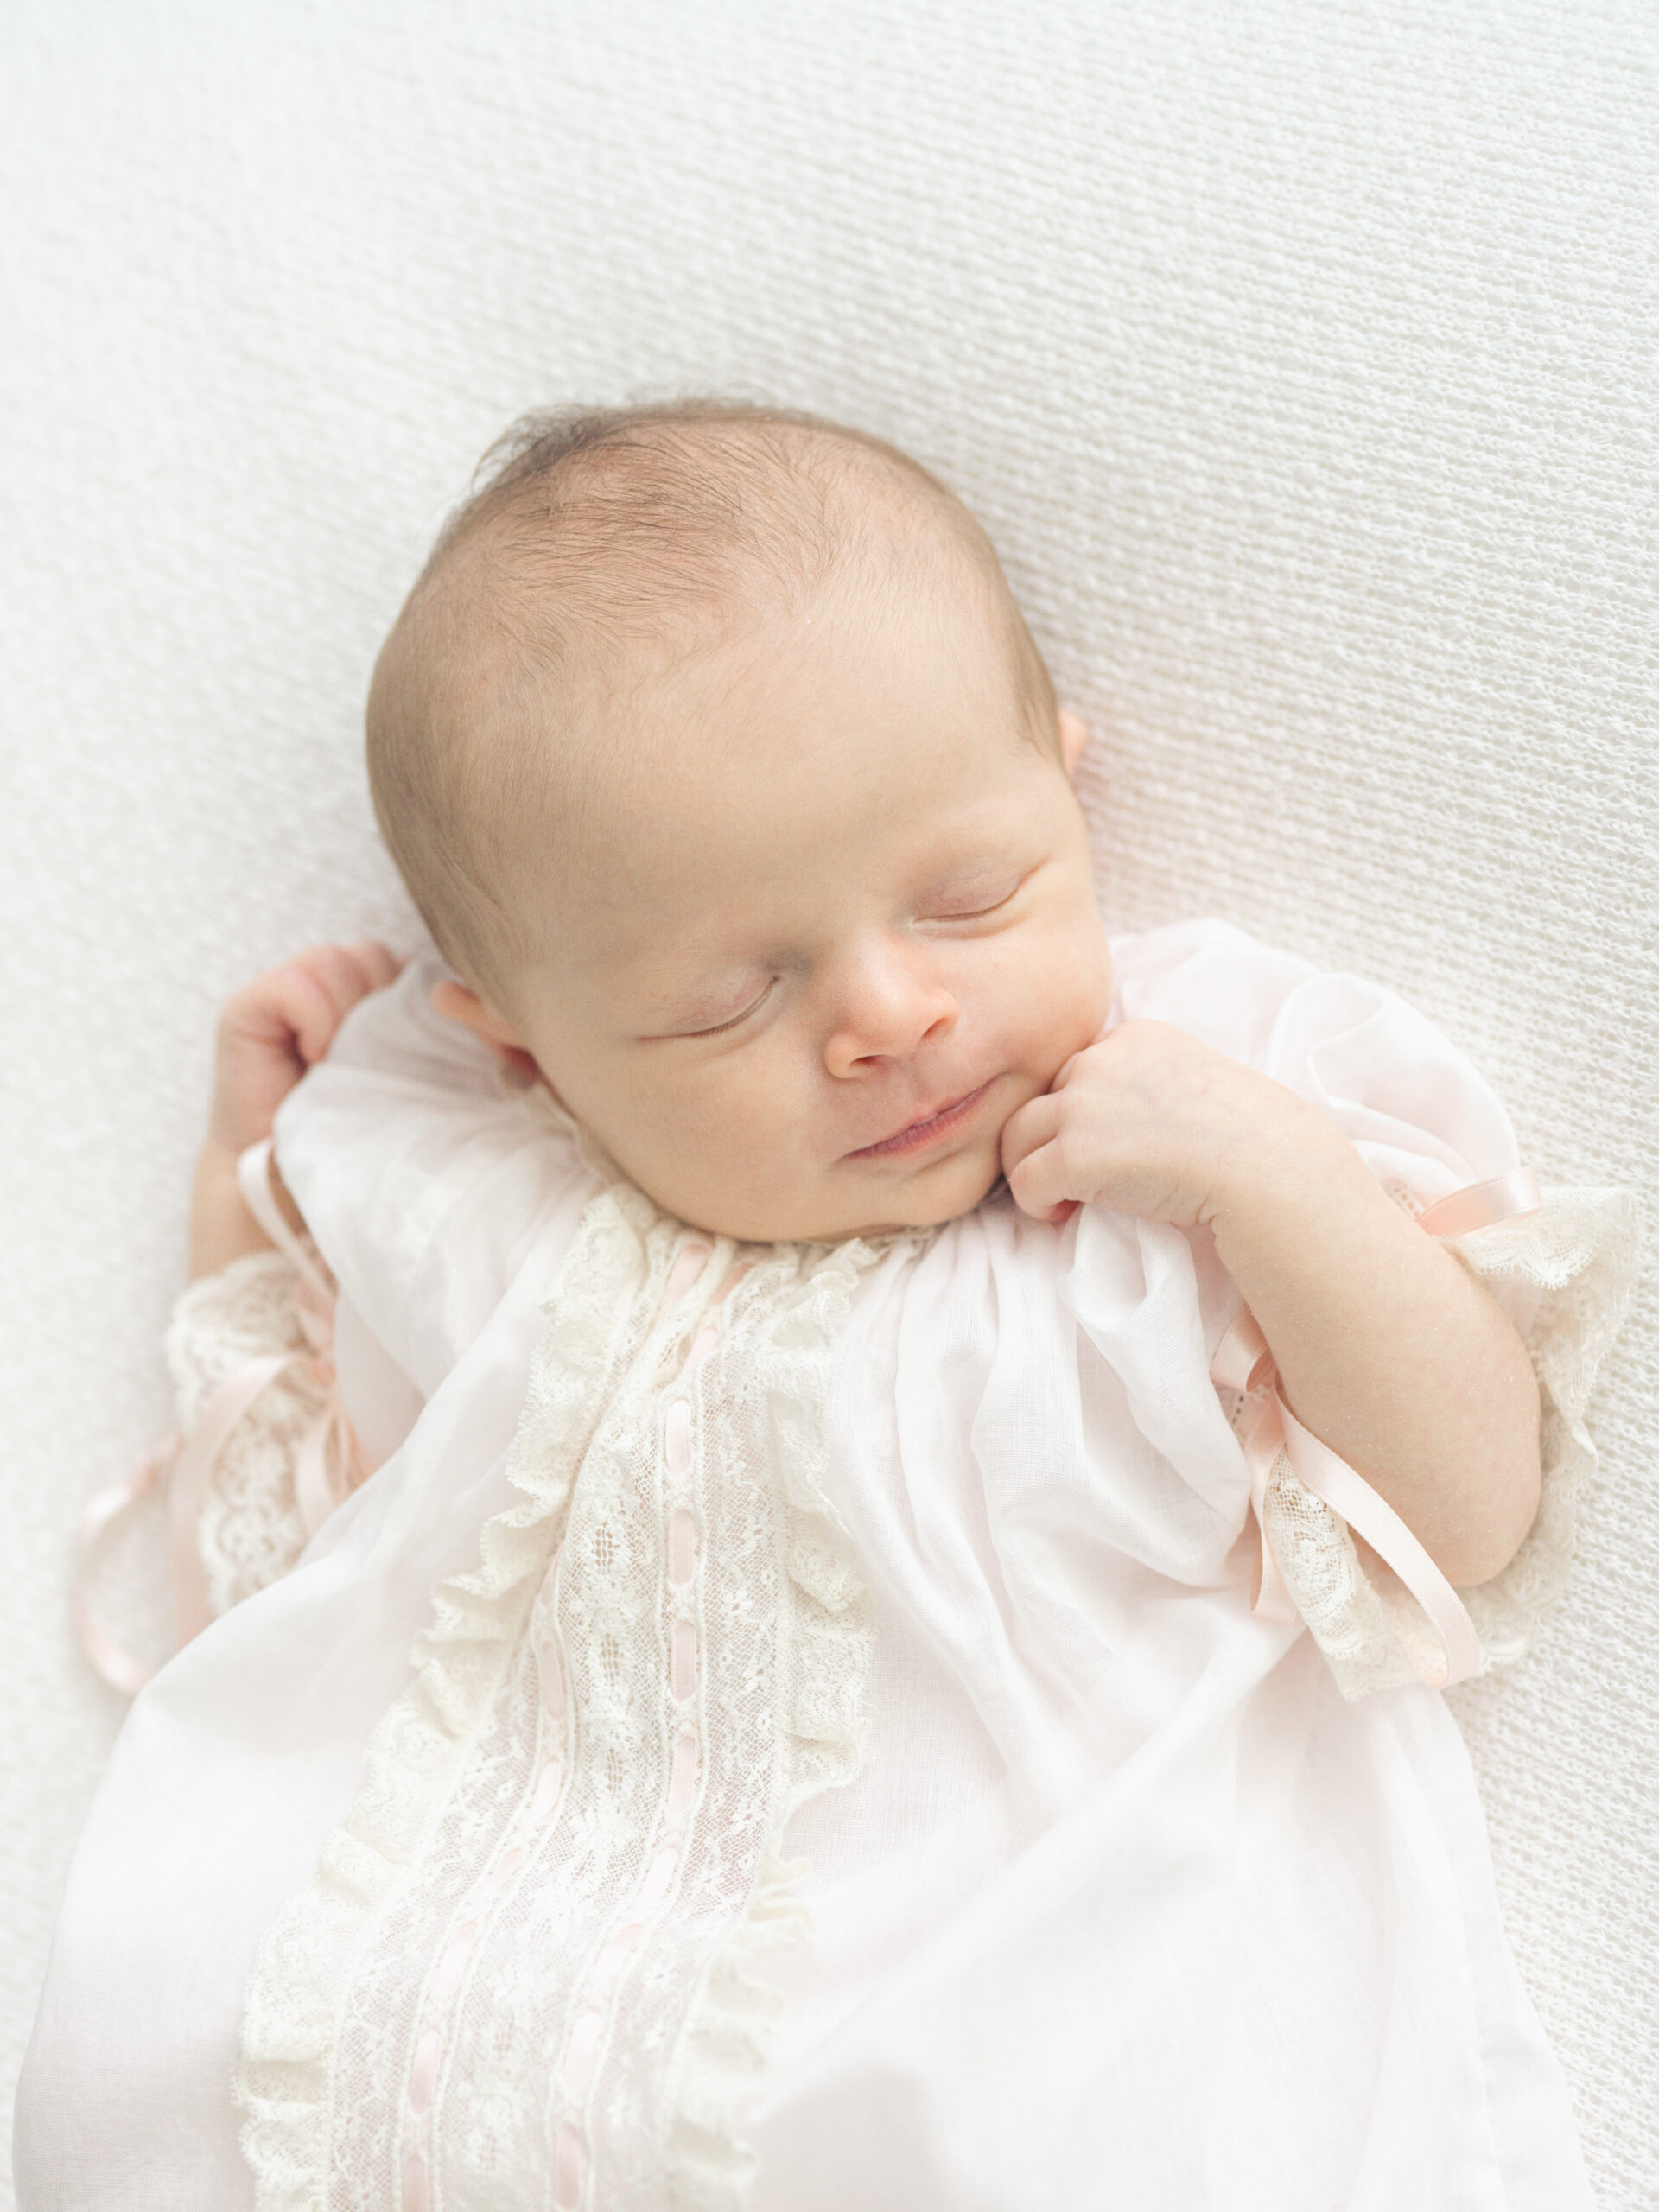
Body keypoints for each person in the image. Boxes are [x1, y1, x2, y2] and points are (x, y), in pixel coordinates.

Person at [15, 402, 1639, 2210]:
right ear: (526, 1048)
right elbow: (284, 1580)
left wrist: (1279, 1184)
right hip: (445, 2083)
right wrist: (241, 1184)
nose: (887, 1014)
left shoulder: (1173, 1171)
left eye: (970, 896)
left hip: (1026, 2060)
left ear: (1068, 786)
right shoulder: (502, 1221)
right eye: (728, 999)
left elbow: (1471, 1508)